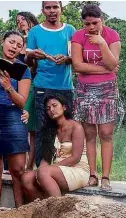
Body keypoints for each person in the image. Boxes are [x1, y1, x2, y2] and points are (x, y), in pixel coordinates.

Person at [71, 4, 122, 192]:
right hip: (85, 89)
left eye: (95, 23)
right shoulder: (77, 36)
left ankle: (106, 177)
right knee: (90, 134)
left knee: (106, 134)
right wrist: (104, 69)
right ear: (82, 23)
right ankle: (92, 174)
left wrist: (101, 43)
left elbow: (113, 62)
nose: (91, 27)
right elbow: (77, 65)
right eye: (87, 24)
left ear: (102, 20)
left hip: (107, 88)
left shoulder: (112, 36)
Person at [0, 31, 31, 209]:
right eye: (11, 42)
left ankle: (20, 211)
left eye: (19, 45)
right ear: (3, 42)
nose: (14, 47)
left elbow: (22, 101)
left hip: (13, 117)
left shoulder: (23, 70)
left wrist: (9, 87)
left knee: (17, 170)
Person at [26, 1, 76, 167]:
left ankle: (65, 167)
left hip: (65, 87)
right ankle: (42, 169)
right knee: (42, 130)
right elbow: (28, 63)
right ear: (42, 10)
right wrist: (33, 55)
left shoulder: (70, 30)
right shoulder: (34, 32)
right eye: (48, 7)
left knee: (67, 129)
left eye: (55, 7)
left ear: (61, 9)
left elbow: (76, 59)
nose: (52, 11)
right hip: (42, 86)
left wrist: (68, 59)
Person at [21, 94, 89, 202]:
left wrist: (47, 169)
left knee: (43, 172)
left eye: (54, 105)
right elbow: (46, 158)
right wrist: (41, 169)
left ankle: (57, 210)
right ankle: (42, 210)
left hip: (77, 169)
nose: (51, 110)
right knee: (27, 178)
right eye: (48, 109)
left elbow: (75, 158)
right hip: (56, 169)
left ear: (64, 107)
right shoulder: (49, 130)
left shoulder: (76, 127)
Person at [16, 11, 39, 170]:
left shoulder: (38, 35)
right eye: (17, 21)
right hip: (20, 85)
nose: (20, 22)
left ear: (31, 19)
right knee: (21, 126)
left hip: (36, 83)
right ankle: (21, 165)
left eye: (23, 19)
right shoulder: (18, 41)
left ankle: (30, 166)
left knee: (33, 129)